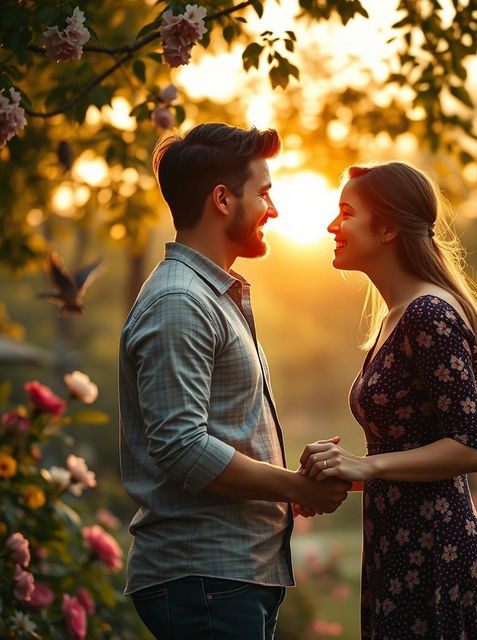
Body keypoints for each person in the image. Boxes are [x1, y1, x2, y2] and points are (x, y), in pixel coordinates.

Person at [118, 123, 350, 640]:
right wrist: (292, 485)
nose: (274, 209)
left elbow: (215, 433)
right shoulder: (180, 302)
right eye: (264, 192)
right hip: (205, 578)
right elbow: (181, 446)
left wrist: (284, 483)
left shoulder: (209, 296)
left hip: (223, 577)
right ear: (222, 200)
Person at [300, 162, 477, 639]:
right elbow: (410, 449)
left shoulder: (428, 313)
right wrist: (332, 477)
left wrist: (364, 467)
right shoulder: (396, 315)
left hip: (438, 558)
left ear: (389, 227)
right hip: (398, 550)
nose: (332, 226)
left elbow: (470, 448)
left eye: (346, 213)